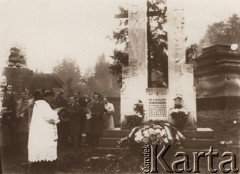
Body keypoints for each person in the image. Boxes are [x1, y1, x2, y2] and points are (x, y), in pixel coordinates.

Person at [28, 90, 60, 173]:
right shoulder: (43, 104)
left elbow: (45, 114)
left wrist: (53, 111)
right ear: (44, 96)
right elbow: (51, 118)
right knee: (45, 153)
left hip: (39, 132)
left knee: (39, 154)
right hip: (44, 133)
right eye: (49, 96)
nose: (51, 98)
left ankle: (37, 170)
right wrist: (57, 112)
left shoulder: (37, 104)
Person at [2, 84, 17, 149]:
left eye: (11, 87)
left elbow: (14, 104)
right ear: (7, 87)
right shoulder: (4, 94)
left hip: (12, 113)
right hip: (5, 113)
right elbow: (4, 103)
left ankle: (13, 144)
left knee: (12, 128)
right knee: (5, 128)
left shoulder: (14, 94)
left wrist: (10, 113)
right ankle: (6, 144)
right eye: (8, 87)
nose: (9, 88)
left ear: (12, 88)